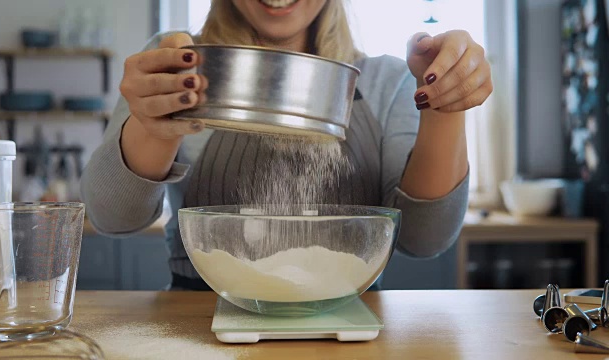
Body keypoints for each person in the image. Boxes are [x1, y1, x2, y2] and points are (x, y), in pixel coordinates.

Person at [81, 0, 493, 290]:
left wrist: (445, 104)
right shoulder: (179, 64)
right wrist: (154, 125)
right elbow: (114, 219)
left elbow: (423, 240)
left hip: (351, 332)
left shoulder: (388, 82)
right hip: (199, 323)